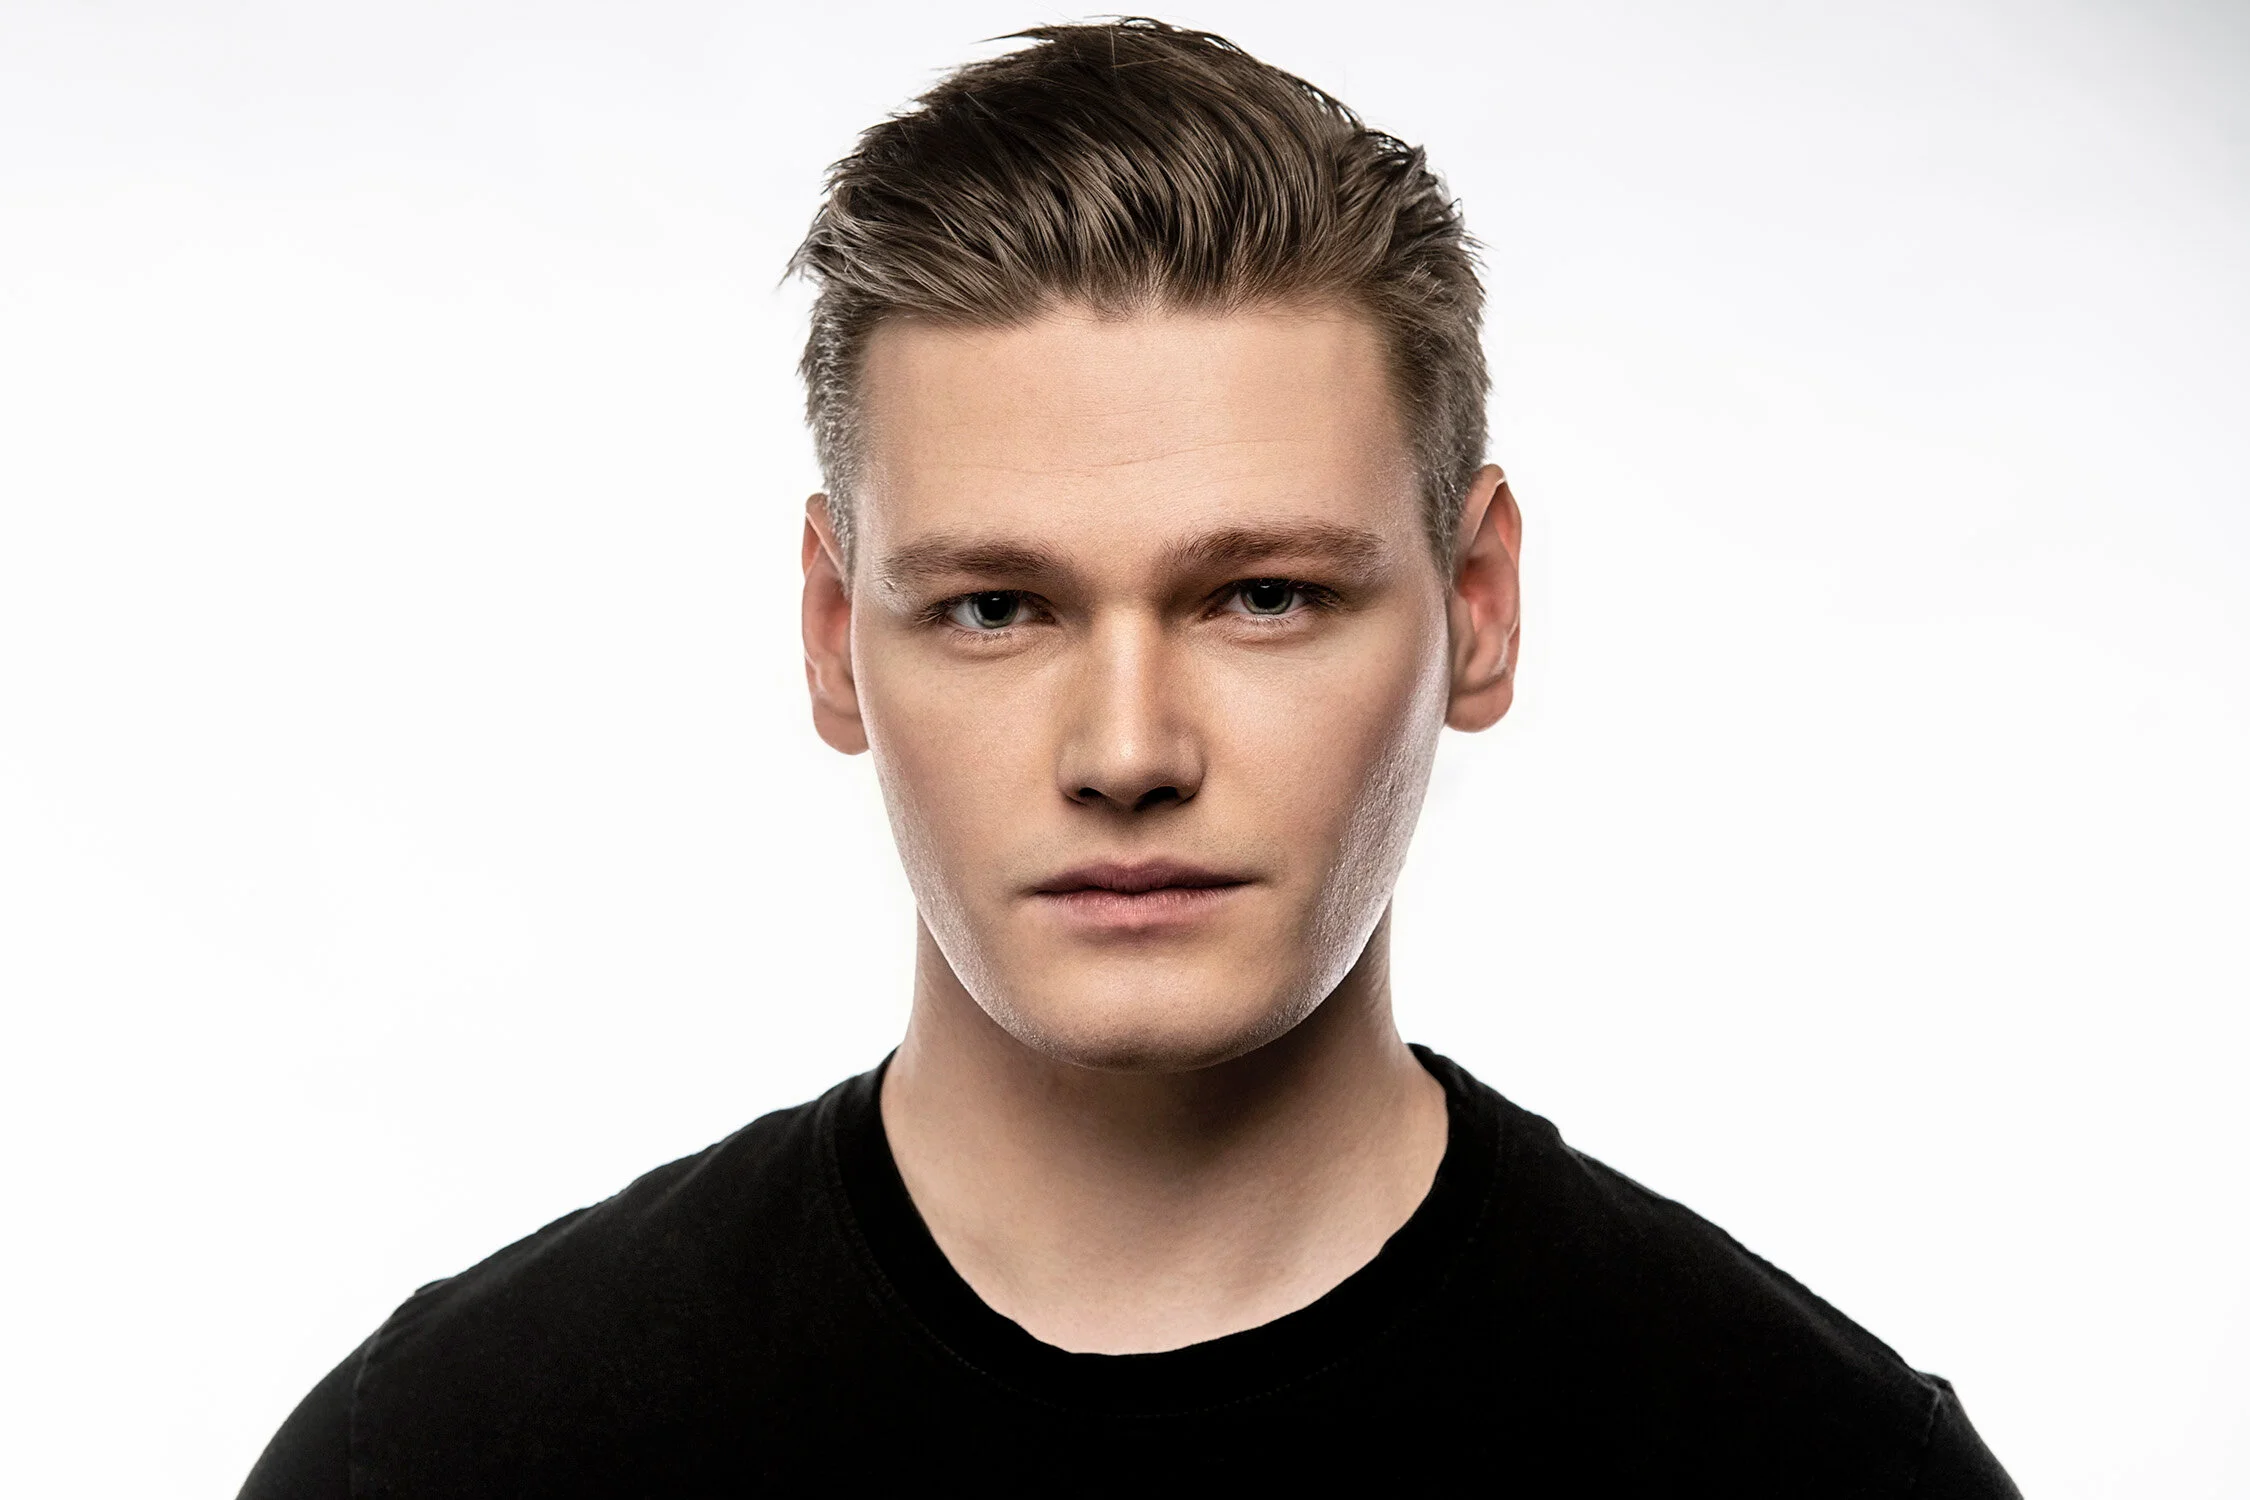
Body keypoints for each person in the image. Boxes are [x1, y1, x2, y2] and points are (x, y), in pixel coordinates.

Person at [240, 19, 2018, 1495]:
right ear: (827, 632)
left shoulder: (1814, 1472)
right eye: (997, 609)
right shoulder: (445, 1462)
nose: (1125, 751)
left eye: (1259, 595)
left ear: (1476, 608)